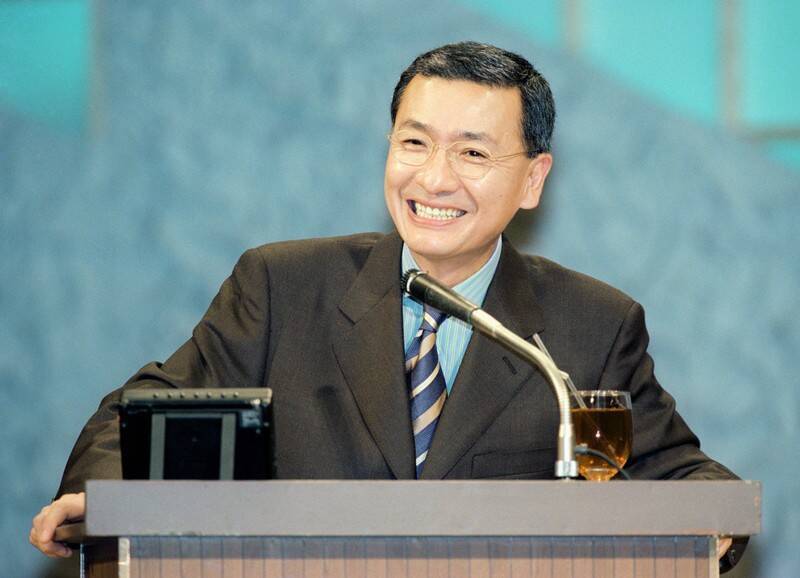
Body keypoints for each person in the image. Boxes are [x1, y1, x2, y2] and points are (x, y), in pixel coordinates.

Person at [30, 41, 745, 570]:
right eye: (414, 143)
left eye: (472, 154)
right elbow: (138, 418)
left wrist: (714, 520)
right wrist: (110, 495)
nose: (433, 179)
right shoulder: (282, 288)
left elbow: (680, 475)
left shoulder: (591, 325)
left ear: (533, 180)